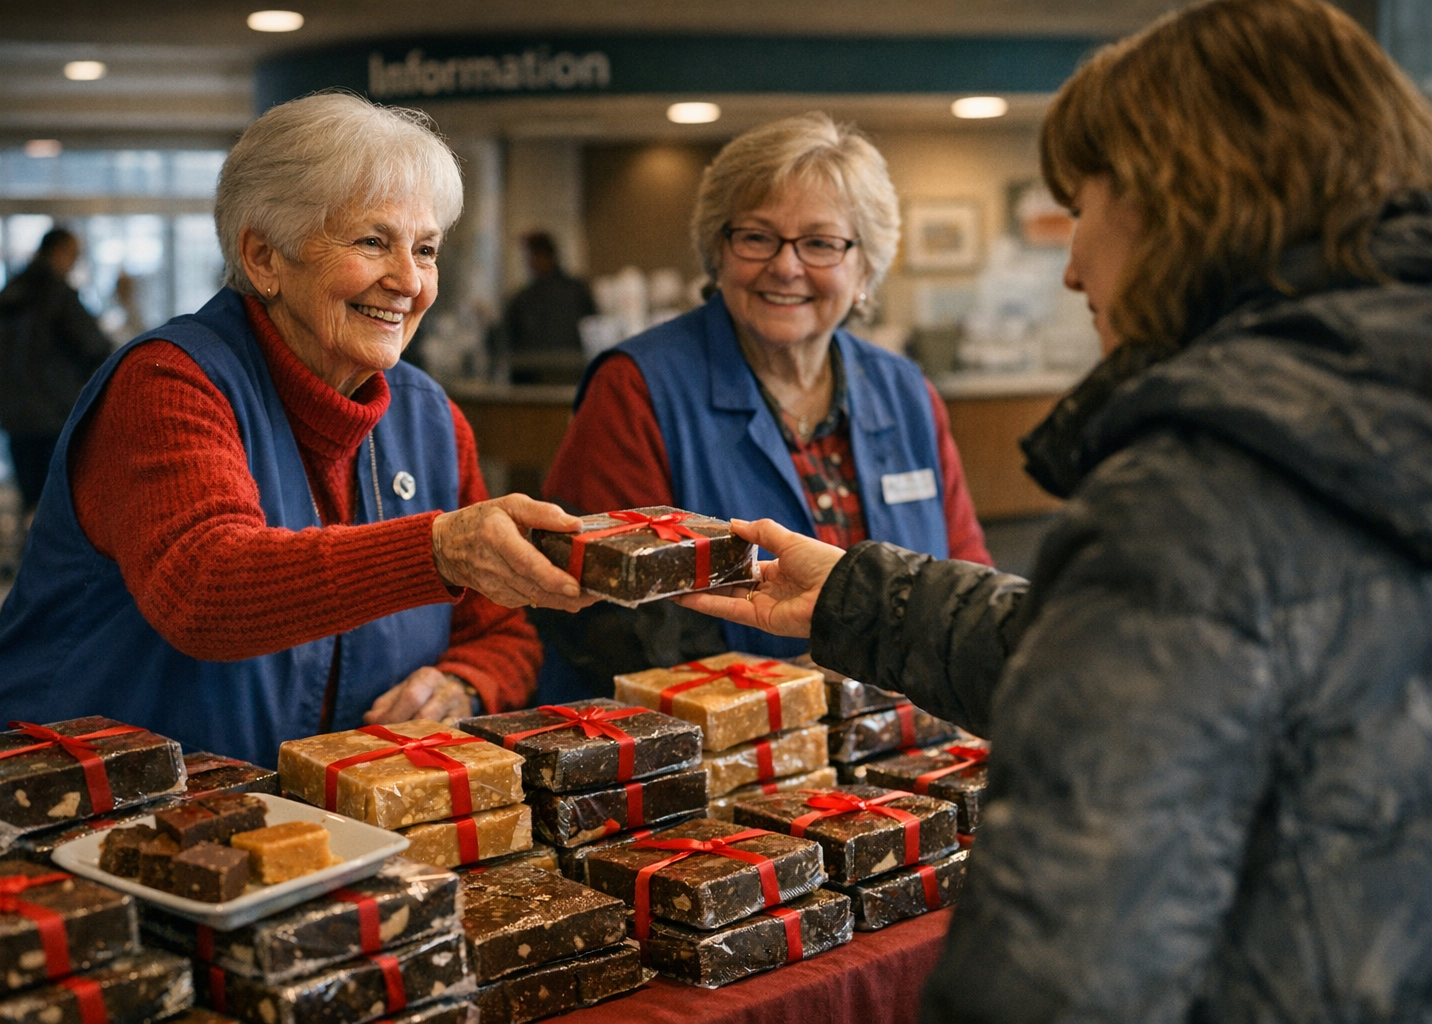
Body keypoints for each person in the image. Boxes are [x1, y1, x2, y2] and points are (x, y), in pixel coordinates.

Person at [682, 0, 1432, 1019]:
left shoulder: (1198, 493)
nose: (1073, 265)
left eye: (1084, 203)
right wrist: (850, 595)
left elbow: (1061, 965)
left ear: (1185, 203)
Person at [0, 94, 594, 767]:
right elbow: (206, 588)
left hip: (300, 832)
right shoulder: (167, 385)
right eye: (373, 241)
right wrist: (438, 551)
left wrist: (465, 684)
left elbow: (502, 637)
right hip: (62, 816)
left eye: (425, 249)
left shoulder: (431, 419)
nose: (409, 280)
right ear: (264, 257)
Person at [539, 113, 990, 696]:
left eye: (821, 243)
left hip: (907, 743)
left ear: (865, 270)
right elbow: (608, 621)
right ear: (718, 252)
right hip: (719, 756)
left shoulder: (906, 392)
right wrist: (792, 690)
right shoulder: (637, 388)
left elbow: (965, 577)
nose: (785, 265)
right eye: (756, 236)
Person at [0, 228, 115, 516]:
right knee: (58, 506)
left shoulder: (10, 292)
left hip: (14, 414)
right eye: (73, 255)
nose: (74, 263)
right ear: (59, 252)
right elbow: (94, 346)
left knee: (30, 499)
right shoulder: (57, 294)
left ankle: (27, 556)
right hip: (53, 415)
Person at [500, 231, 596, 384]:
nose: (529, 262)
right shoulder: (578, 291)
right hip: (574, 381)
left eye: (530, 256)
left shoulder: (522, 299)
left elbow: (509, 343)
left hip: (532, 384)